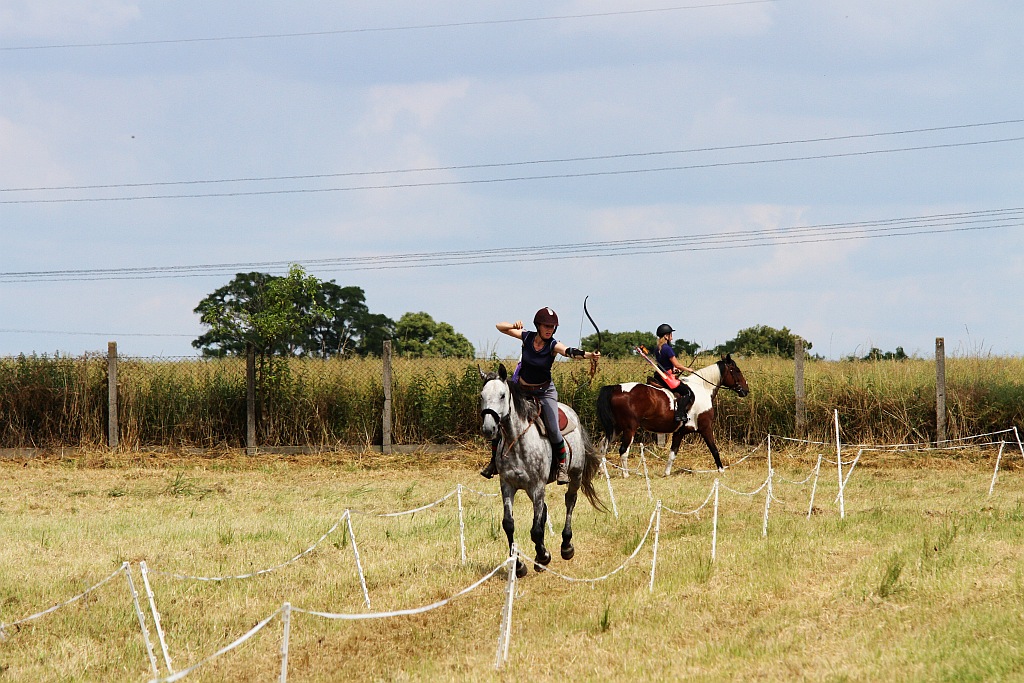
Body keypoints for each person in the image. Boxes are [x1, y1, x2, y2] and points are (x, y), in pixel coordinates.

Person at [480, 307, 599, 484]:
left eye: (552, 326)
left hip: (545, 393)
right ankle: (494, 463)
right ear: (538, 325)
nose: (549, 329)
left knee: (553, 428)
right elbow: (499, 326)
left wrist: (589, 355)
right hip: (521, 391)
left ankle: (561, 467)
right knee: (502, 421)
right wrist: (513, 325)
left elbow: (568, 351)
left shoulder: (552, 345)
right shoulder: (527, 337)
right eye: (546, 325)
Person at [654, 323, 696, 425]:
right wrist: (688, 369)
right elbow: (677, 365)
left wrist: (673, 370)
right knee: (687, 393)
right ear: (666, 336)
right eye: (670, 334)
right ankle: (679, 414)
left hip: (659, 375)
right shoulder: (667, 349)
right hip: (667, 378)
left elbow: (666, 364)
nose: (672, 337)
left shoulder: (657, 349)